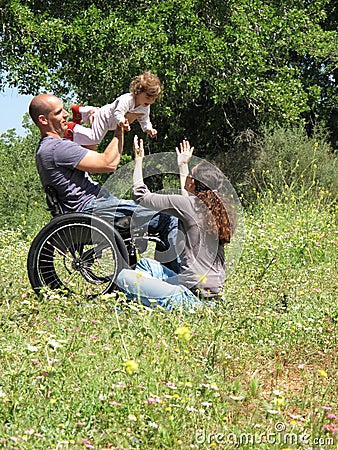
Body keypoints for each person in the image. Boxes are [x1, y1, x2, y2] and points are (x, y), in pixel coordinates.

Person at [28, 93, 179, 272]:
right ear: (43, 120)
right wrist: (120, 126)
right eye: (59, 112)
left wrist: (95, 129)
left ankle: (161, 278)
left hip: (89, 209)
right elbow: (109, 163)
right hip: (95, 210)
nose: (66, 114)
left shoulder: (47, 149)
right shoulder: (57, 148)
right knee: (169, 217)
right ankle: (177, 283)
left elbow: (88, 155)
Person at [115, 136, 236, 310]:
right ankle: (143, 300)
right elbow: (187, 203)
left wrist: (139, 160)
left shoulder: (189, 206)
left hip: (192, 298)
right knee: (146, 265)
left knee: (124, 277)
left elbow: (140, 195)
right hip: (212, 296)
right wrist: (183, 165)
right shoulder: (215, 209)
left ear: (193, 182)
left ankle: (134, 305)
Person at [65, 71, 161, 146]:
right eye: (148, 97)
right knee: (95, 139)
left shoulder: (145, 106)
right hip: (105, 118)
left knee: (96, 129)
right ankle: (72, 130)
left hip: (110, 122)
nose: (150, 101)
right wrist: (122, 121)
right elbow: (118, 112)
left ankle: (82, 111)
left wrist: (149, 129)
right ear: (138, 91)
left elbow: (144, 119)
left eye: (153, 99)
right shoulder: (127, 99)